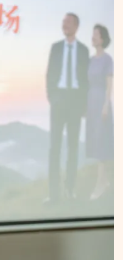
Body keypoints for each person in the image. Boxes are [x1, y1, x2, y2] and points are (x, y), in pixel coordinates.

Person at [45, 13, 90, 203]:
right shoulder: (55, 48)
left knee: (72, 148)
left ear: (76, 26)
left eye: (68, 22)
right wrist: (52, 98)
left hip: (75, 102)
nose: (65, 25)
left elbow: (86, 79)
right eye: (63, 22)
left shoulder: (83, 50)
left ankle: (70, 190)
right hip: (59, 100)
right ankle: (53, 194)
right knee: (54, 148)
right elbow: (49, 75)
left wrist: (84, 105)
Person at [86, 24, 114, 200]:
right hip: (91, 102)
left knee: (101, 141)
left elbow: (109, 85)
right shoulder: (90, 60)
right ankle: (104, 180)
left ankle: (101, 183)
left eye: (96, 34)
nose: (93, 37)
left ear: (102, 39)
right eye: (93, 34)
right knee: (95, 141)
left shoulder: (107, 59)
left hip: (101, 102)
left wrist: (105, 105)